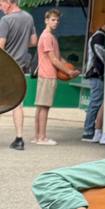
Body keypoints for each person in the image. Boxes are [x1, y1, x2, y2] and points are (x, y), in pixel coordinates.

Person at [0, 0, 36, 152]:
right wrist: (20, 46)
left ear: (8, 3)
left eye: (1, 4)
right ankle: (19, 139)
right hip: (20, 67)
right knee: (18, 104)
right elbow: (34, 41)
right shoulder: (28, 17)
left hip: (5, 67)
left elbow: (0, 46)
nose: (0, 8)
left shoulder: (6, 20)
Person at [33, 8, 78, 146]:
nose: (56, 22)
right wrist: (69, 72)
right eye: (53, 20)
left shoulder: (51, 36)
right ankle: (42, 137)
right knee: (44, 106)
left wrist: (70, 67)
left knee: (41, 106)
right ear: (46, 21)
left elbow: (58, 57)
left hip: (46, 74)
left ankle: (37, 136)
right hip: (47, 74)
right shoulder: (47, 37)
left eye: (57, 20)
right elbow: (53, 60)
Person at [81, 25, 105, 145]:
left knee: (97, 102)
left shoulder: (100, 36)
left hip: (98, 74)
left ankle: (92, 130)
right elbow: (102, 55)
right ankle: (88, 131)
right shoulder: (99, 37)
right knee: (96, 102)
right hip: (96, 74)